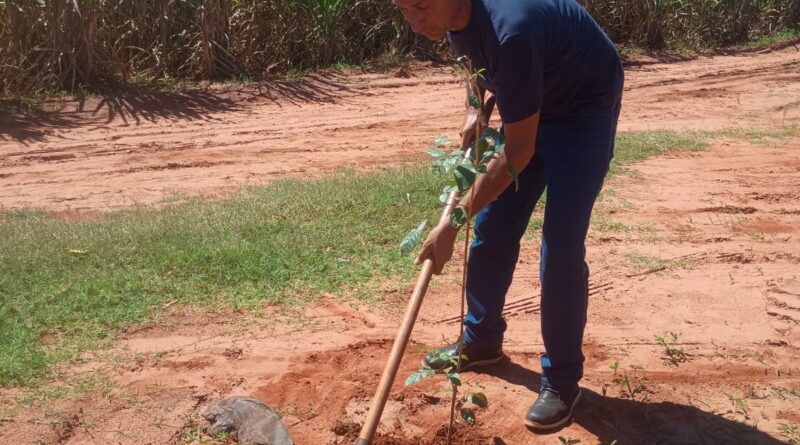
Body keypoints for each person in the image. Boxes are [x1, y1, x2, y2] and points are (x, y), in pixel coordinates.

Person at [393, 0, 625, 432]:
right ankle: (481, 341)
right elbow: (475, 62)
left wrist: (452, 224)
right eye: (404, 10)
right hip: (533, 103)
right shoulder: (452, 17)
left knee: (560, 249)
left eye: (421, 6)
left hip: (584, 109)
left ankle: (561, 381)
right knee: (494, 227)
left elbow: (518, 152)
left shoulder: (510, 31)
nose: (415, 22)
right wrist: (474, 107)